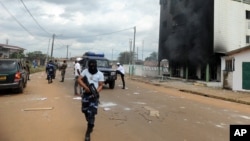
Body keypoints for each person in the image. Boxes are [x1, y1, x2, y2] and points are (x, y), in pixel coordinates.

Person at [77, 59, 104, 141]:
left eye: (93, 65)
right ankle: (90, 122)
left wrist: (95, 92)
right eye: (90, 65)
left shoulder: (100, 74)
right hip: (85, 95)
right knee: (84, 111)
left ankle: (88, 133)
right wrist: (86, 87)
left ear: (96, 65)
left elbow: (101, 85)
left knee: (91, 113)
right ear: (88, 65)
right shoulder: (85, 71)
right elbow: (79, 79)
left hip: (94, 96)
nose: (92, 66)